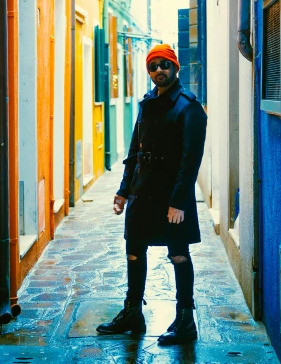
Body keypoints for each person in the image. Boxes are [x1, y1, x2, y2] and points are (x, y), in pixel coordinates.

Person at [96, 43, 207, 345]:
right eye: (153, 66)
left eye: (165, 64)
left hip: (172, 199)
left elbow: (190, 160)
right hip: (142, 194)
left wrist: (179, 202)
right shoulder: (146, 103)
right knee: (134, 251)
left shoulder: (189, 107)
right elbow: (135, 150)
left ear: (175, 67)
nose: (159, 70)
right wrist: (122, 190)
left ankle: (185, 320)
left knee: (179, 255)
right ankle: (133, 313)